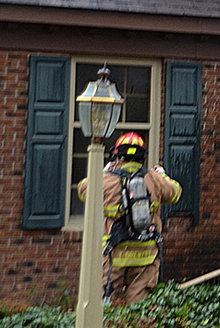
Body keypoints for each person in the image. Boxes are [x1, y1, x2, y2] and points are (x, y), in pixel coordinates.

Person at [77, 131, 182, 306]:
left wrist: (101, 172)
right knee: (138, 309)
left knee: (104, 305)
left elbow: (82, 191)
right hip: (145, 255)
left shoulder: (105, 180)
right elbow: (175, 193)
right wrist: (162, 175)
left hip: (113, 254)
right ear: (142, 158)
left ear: (117, 157)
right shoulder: (154, 179)